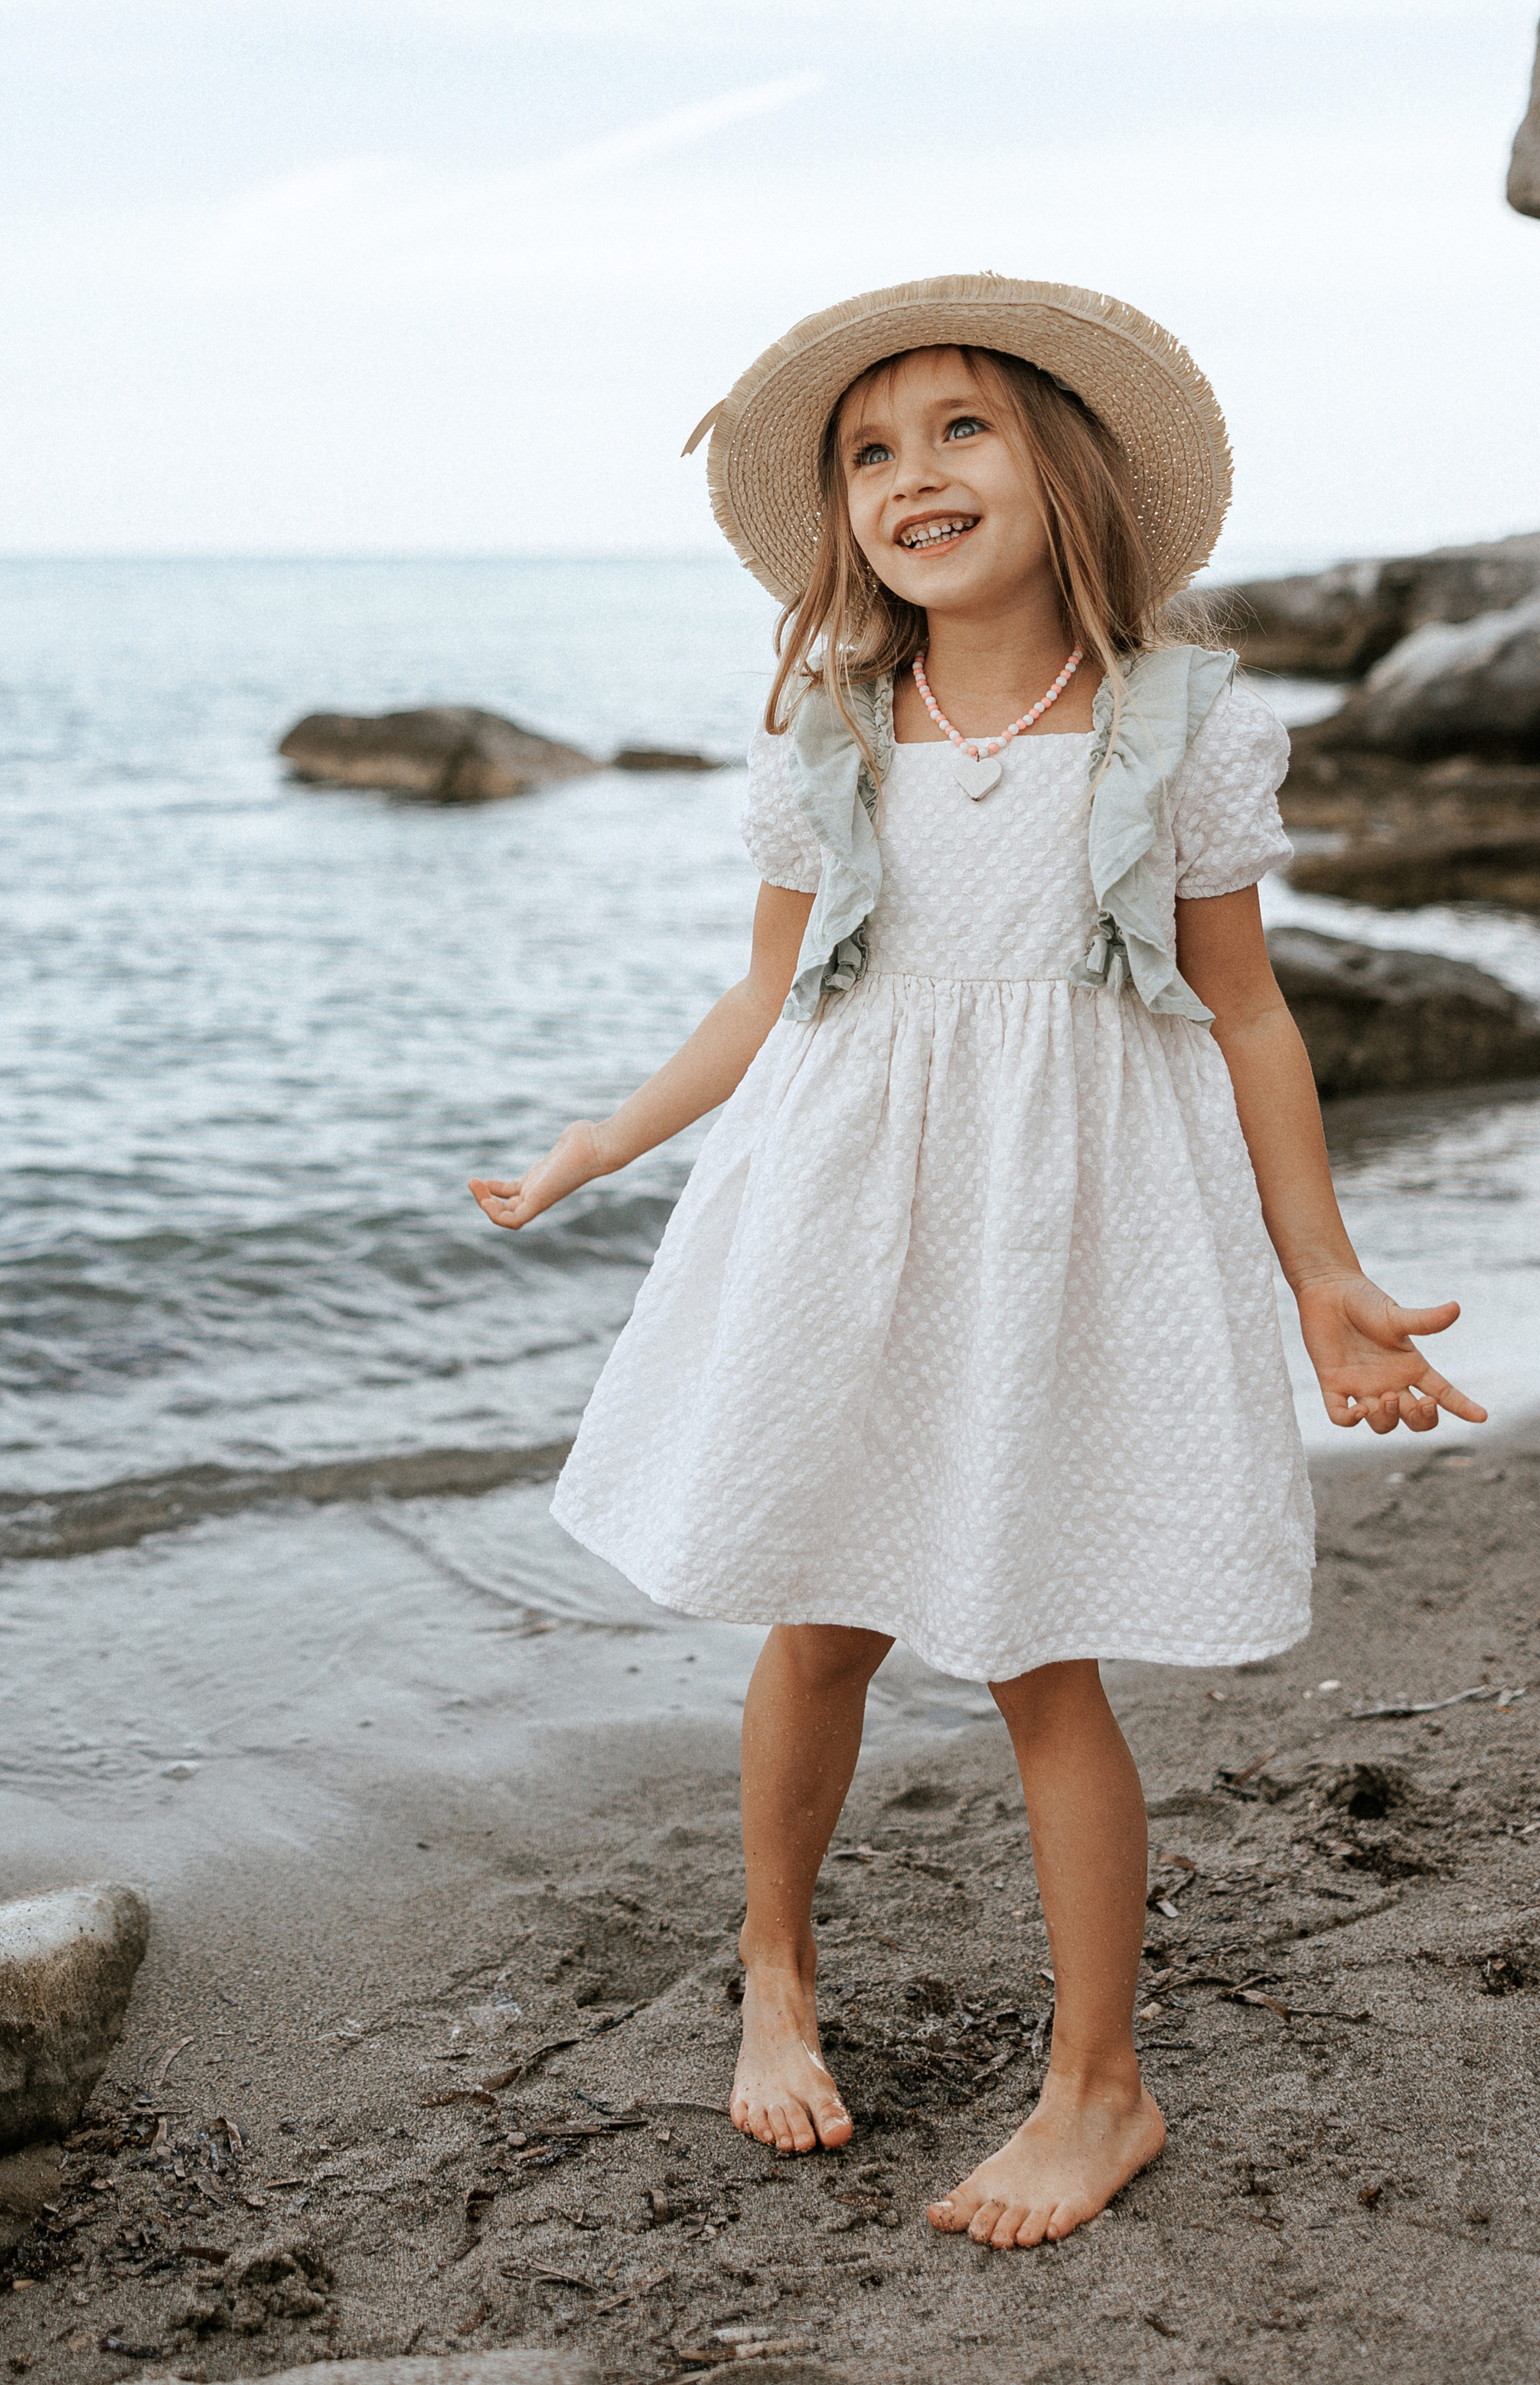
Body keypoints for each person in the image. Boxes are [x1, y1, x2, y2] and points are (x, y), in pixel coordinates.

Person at [468, 275, 1486, 2249]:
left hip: (1063, 1232)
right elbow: (770, 998)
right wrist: (602, 1142)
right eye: (869, 451)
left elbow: (1250, 1012)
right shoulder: (836, 721)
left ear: (1062, 467)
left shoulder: (1180, 722)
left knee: (1037, 1644)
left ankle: (1101, 2091)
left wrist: (1323, 1274)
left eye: (959, 430)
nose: (909, 477)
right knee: (820, 1609)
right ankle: (775, 1966)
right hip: (846, 1214)